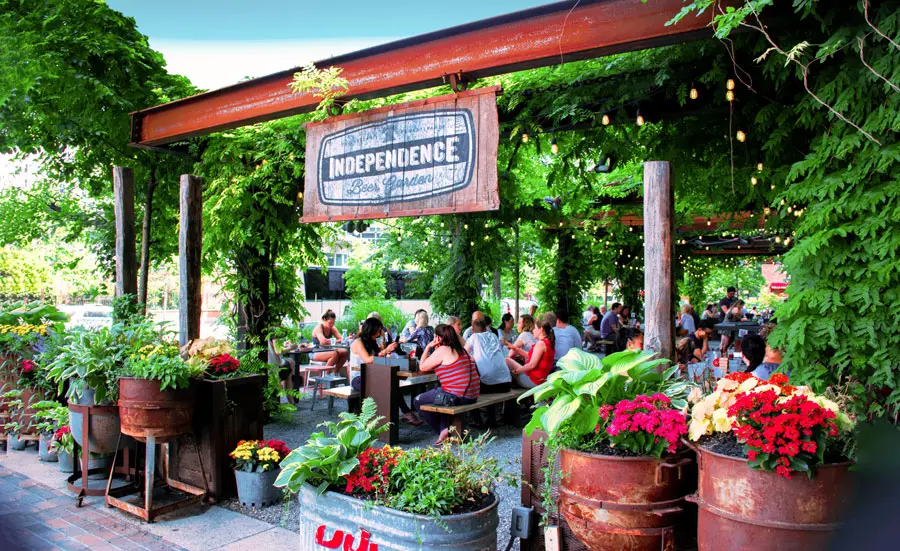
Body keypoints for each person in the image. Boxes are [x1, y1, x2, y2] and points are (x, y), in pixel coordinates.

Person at [415, 324, 481, 444]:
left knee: (418, 401)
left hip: (458, 396)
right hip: (472, 395)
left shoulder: (443, 349)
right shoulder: (462, 350)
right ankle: (444, 428)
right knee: (441, 392)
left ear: (438, 338)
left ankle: (442, 430)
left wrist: (429, 346)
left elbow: (422, 367)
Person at [350, 318, 422, 426]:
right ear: (370, 330)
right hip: (359, 378)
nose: (379, 333)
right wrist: (385, 350)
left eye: (380, 330)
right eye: (378, 331)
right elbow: (368, 360)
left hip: (373, 375)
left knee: (392, 384)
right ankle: (400, 415)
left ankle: (400, 415)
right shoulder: (358, 342)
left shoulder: (373, 341)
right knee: (390, 386)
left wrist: (384, 347)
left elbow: (380, 358)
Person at [466, 318, 512, 428]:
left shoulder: (474, 337)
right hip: (506, 384)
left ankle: (477, 421)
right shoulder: (494, 336)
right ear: (486, 327)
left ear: (473, 330)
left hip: (489, 385)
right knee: (489, 376)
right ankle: (492, 419)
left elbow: (464, 354)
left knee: (472, 390)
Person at [506, 319, 555, 388]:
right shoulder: (548, 342)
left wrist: (515, 372)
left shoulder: (541, 344)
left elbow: (532, 365)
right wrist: (515, 349)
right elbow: (530, 355)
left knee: (507, 360)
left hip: (533, 380)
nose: (533, 330)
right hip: (539, 379)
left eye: (535, 328)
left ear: (541, 330)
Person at [311, 310, 349, 377]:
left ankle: (335, 372)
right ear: (324, 319)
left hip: (327, 351)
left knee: (345, 352)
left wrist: (335, 340)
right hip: (315, 352)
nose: (332, 324)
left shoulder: (332, 328)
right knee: (334, 354)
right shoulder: (318, 328)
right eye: (330, 322)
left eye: (333, 322)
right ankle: (327, 375)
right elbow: (323, 341)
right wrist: (335, 340)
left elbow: (342, 339)